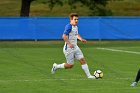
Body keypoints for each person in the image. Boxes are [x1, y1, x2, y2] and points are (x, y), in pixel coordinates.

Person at [51, 13, 95, 79]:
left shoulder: (76, 27)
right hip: (68, 49)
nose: (76, 21)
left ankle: (89, 76)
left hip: (75, 47)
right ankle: (56, 66)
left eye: (77, 19)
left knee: (82, 60)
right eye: (75, 19)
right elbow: (64, 36)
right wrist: (69, 44)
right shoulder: (69, 26)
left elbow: (76, 34)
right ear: (71, 19)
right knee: (70, 65)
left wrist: (81, 39)